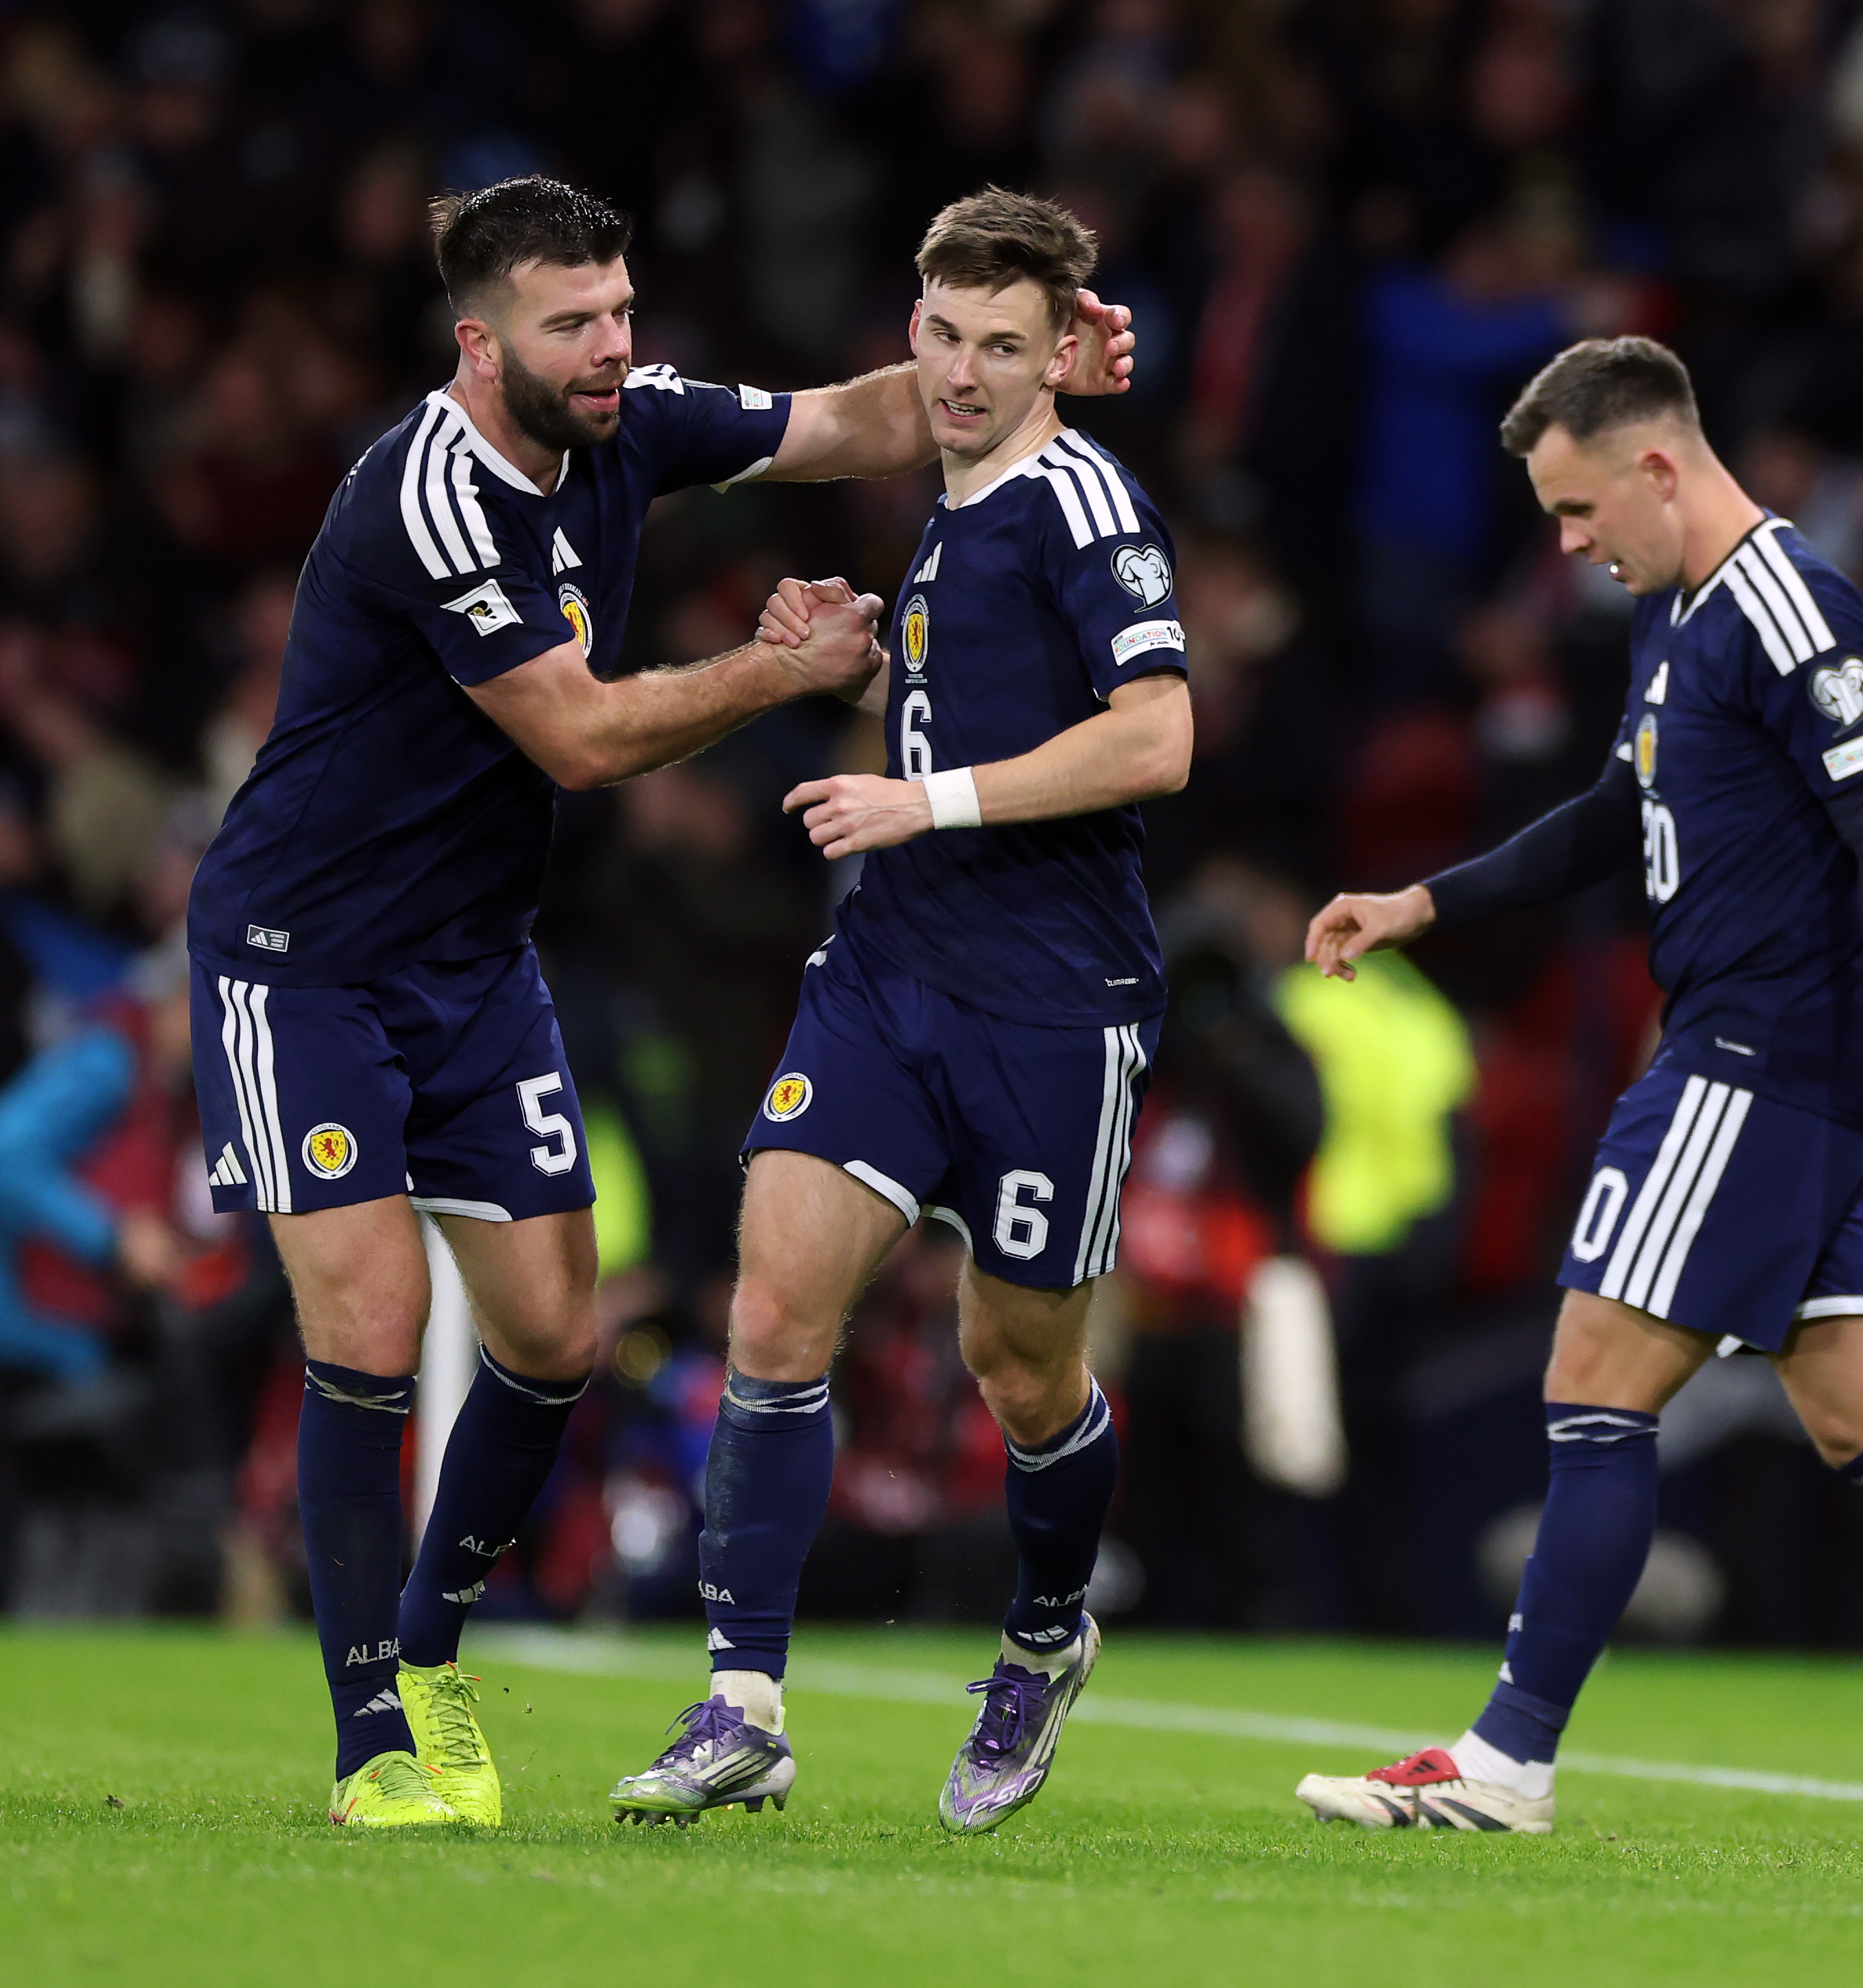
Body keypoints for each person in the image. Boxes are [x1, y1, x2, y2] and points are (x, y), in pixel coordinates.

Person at [184, 176, 1136, 1829]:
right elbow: (578, 738)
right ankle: (377, 1748)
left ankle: (427, 1649)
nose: (618, 346)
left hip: (475, 960)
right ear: (483, 345)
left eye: (623, 309)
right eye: (577, 323)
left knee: (556, 1338)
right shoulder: (430, 498)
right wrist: (783, 670)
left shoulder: (629, 418)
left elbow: (853, 416)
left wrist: (1041, 367)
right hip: (304, 958)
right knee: (373, 1330)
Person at [1288, 337, 1863, 1843]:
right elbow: (1614, 811)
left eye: (1580, 510)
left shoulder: (1790, 604)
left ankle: (1506, 1758)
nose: (1570, 546)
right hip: (1780, 1069)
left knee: (1593, 1376)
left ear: (1658, 462)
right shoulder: (1677, 613)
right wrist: (1424, 903)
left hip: (1756, 1058)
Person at [603, 190, 1192, 1836]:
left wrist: (919, 797)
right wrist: (848, 672)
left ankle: (1043, 1632)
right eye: (942, 334)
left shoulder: (1085, 506)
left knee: (1017, 1372)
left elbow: (1156, 736)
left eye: (1005, 346)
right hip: (893, 976)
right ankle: (744, 1701)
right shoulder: (944, 501)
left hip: (1054, 1005)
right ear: (913, 319)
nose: (961, 372)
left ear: (1063, 352)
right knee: (774, 1308)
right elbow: (977, 698)